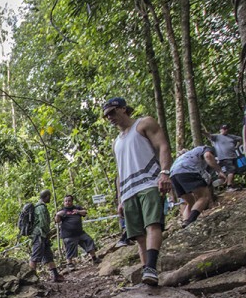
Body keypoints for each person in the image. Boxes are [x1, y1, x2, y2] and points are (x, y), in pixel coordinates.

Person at [102, 97, 173, 286]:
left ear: (123, 109)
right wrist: (119, 199)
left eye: (112, 112)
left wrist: (165, 173)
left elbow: (163, 145)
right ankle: (147, 273)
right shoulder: (116, 142)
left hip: (148, 182)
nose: (110, 117)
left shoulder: (144, 124)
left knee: (153, 224)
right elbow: (119, 171)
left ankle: (151, 267)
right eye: (106, 115)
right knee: (138, 235)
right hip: (128, 190)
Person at [170, 146, 219, 225]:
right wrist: (219, 171)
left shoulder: (185, 156)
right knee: (203, 197)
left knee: (190, 202)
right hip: (187, 169)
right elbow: (208, 156)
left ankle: (185, 222)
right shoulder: (205, 148)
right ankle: (191, 221)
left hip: (173, 174)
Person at [29, 189, 64, 283]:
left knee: (48, 255)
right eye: (50, 196)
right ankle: (30, 279)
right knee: (35, 256)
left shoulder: (40, 206)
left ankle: (55, 275)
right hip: (40, 235)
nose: (50, 198)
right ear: (47, 196)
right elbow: (43, 222)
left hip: (43, 235)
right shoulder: (41, 207)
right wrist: (47, 232)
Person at [55, 195, 100, 266]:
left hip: (80, 233)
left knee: (89, 241)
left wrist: (78, 211)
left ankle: (94, 258)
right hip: (68, 235)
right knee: (70, 248)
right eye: (66, 201)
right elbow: (57, 221)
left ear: (72, 201)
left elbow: (85, 212)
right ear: (64, 202)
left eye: (69, 201)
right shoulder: (62, 211)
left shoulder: (77, 208)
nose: (67, 202)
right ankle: (69, 263)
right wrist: (57, 215)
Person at [208, 124, 242, 191]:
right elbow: (209, 135)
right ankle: (229, 186)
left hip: (233, 156)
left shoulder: (231, 136)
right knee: (231, 171)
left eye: (226, 129)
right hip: (224, 157)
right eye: (223, 129)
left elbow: (240, 139)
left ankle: (232, 184)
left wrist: (237, 146)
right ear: (220, 130)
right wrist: (204, 132)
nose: (225, 130)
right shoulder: (217, 136)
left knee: (233, 171)